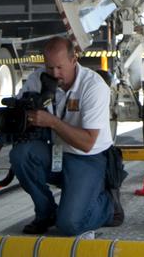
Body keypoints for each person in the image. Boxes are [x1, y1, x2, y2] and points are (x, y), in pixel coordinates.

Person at [11, 36, 121, 237]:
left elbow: (87, 143)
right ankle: (46, 213)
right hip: (57, 152)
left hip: (88, 158)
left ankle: (107, 204)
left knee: (70, 225)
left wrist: (51, 121)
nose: (54, 73)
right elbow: (17, 113)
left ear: (73, 60)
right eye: (49, 67)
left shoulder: (93, 86)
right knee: (21, 154)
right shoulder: (38, 79)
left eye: (60, 67)